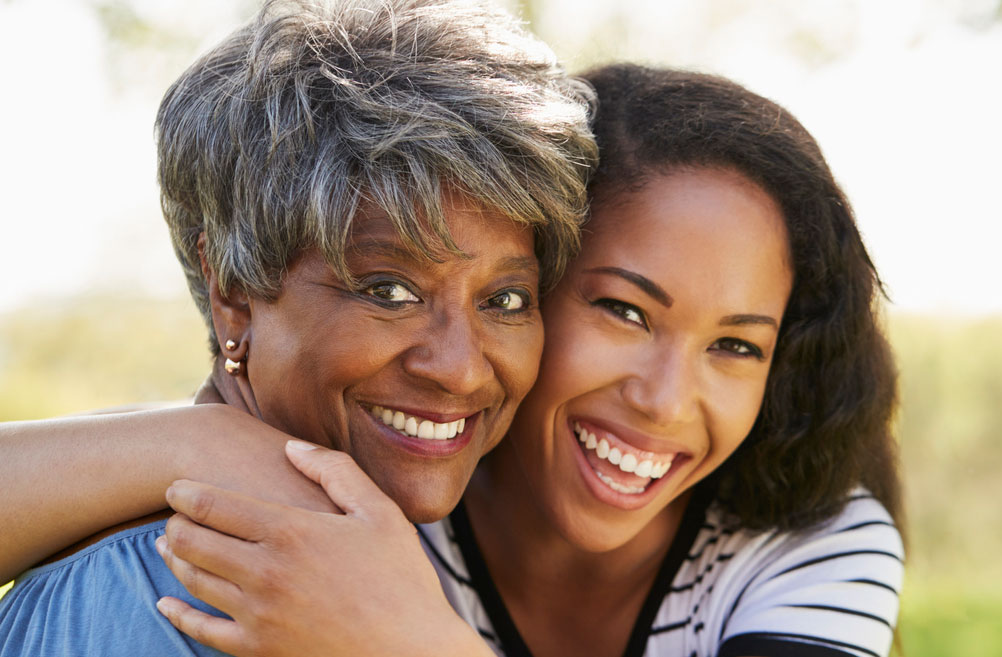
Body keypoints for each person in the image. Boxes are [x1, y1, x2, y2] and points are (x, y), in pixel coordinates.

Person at [0, 63, 903, 657]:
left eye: (736, 345)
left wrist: (406, 635)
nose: (666, 400)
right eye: (624, 310)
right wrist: (208, 446)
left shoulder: (805, 547)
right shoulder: (408, 464)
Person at [0, 0, 597, 654]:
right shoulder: (172, 599)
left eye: (506, 299)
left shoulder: (382, 565)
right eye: (389, 291)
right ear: (234, 293)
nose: (459, 366)